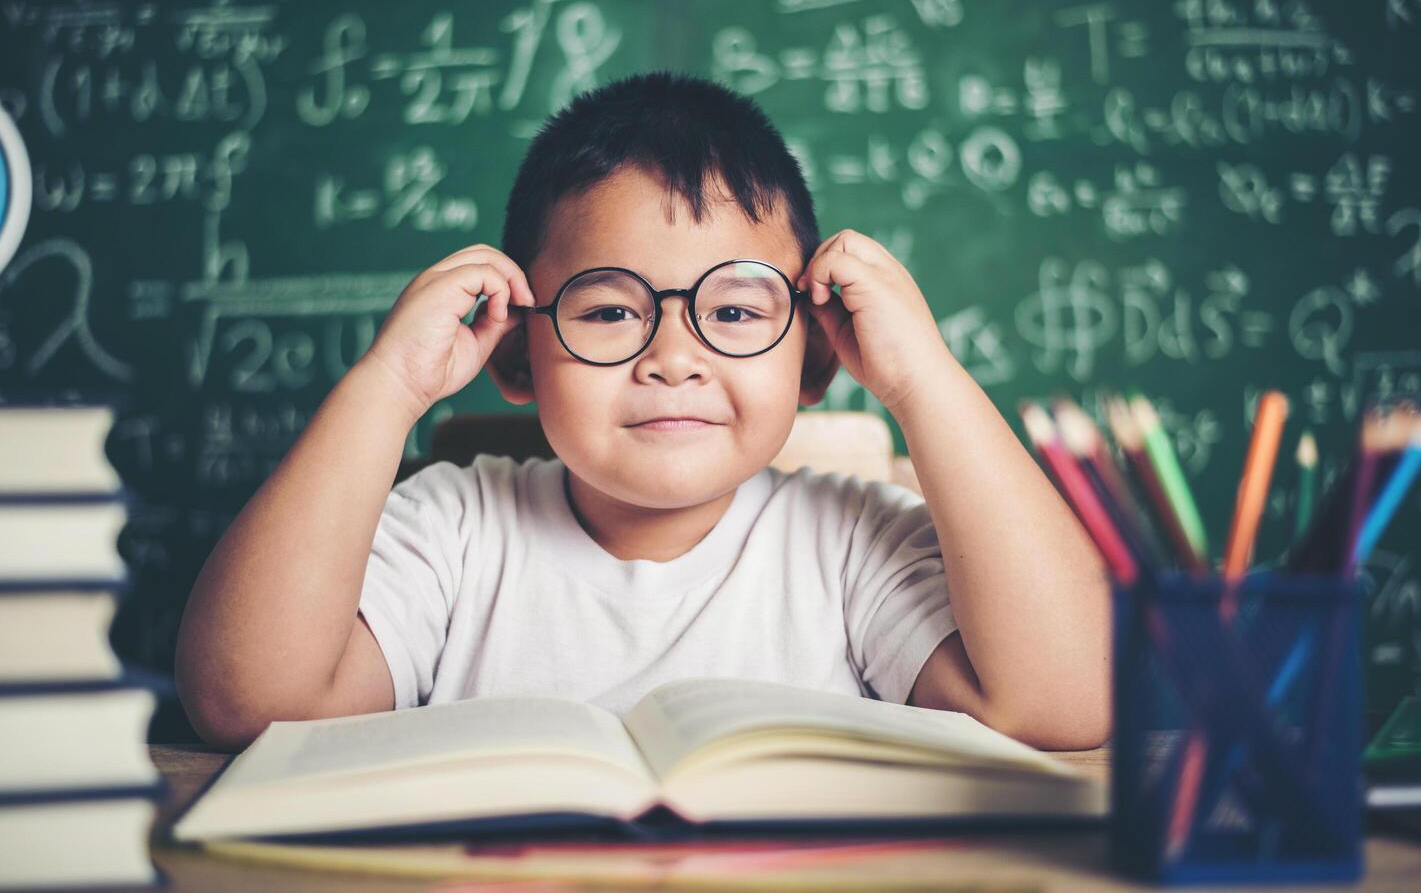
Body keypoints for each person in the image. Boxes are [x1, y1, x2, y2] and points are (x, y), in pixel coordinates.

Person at [175, 72, 1111, 753]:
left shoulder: (852, 542)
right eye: (610, 310)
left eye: (737, 312)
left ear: (817, 357)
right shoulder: (452, 529)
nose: (672, 357)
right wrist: (388, 384)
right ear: (515, 351)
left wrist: (924, 380)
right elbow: (246, 700)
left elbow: (1069, 701)